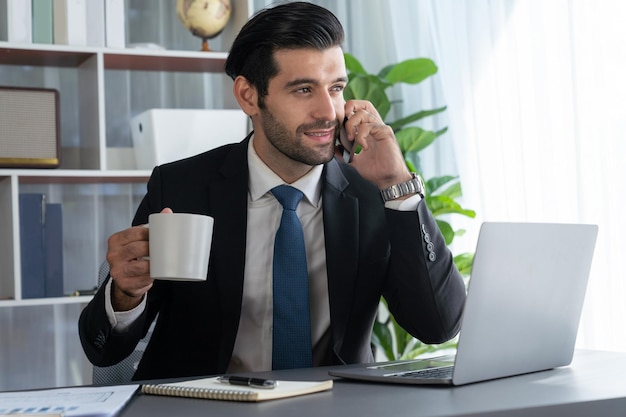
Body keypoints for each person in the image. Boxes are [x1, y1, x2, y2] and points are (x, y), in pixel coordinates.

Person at [79, 1, 466, 381]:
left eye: (335, 88)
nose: (328, 112)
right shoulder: (183, 186)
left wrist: (399, 186)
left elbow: (439, 326)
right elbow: (105, 350)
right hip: (207, 410)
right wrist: (124, 295)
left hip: (333, 409)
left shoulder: (374, 193)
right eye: (303, 90)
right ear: (249, 96)